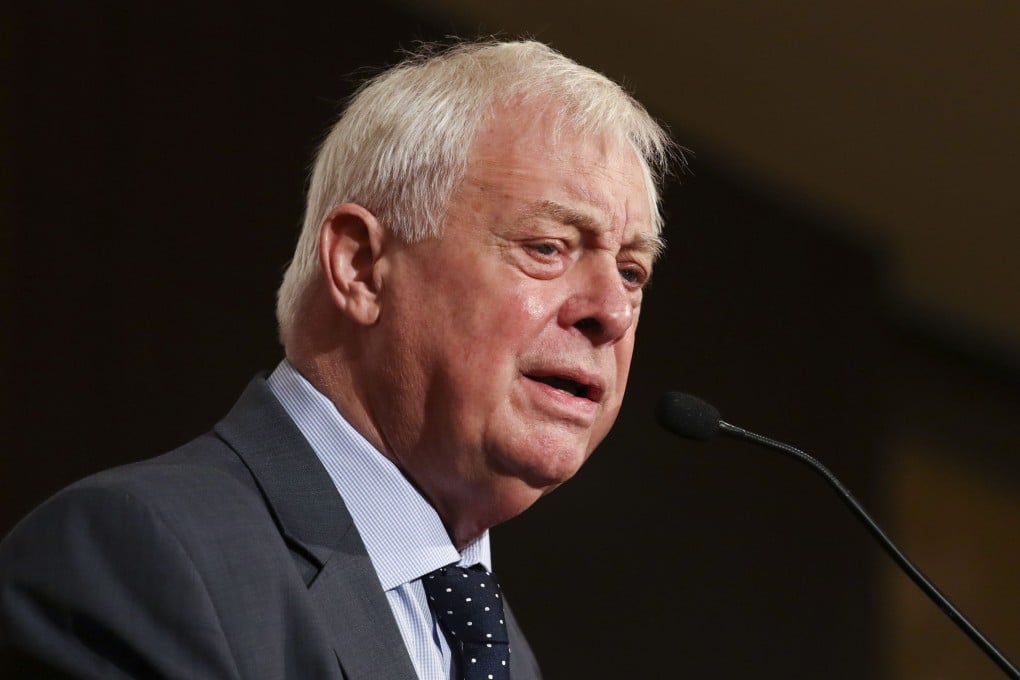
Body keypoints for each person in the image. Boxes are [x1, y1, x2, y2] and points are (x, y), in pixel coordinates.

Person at [0, 39, 675, 679]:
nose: (612, 313)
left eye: (631, 272)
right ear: (361, 266)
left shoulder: (497, 650)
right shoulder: (142, 555)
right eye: (548, 247)